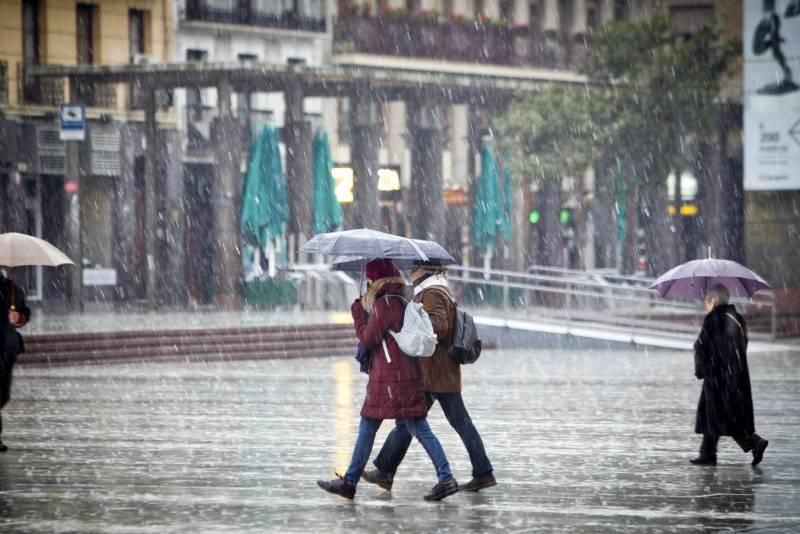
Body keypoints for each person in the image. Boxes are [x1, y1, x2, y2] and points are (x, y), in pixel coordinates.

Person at [317, 258, 458, 501]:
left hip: (389, 381)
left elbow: (368, 338)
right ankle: (445, 478)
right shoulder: (402, 299)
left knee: (371, 428)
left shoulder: (385, 304)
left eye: (371, 279)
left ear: (376, 280)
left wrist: (358, 314)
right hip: (405, 376)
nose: (369, 282)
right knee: (416, 429)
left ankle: (350, 483)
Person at [362, 261, 495, 493]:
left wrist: (415, 320)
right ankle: (385, 470)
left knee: (413, 421)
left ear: (427, 270)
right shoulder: (435, 290)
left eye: (415, 268)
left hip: (435, 373)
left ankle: (477, 473)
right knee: (416, 422)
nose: (411, 272)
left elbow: (439, 327)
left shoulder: (432, 293)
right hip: (440, 373)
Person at [691, 284, 768, 467]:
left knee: (716, 416)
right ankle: (709, 454)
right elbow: (743, 344)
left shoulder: (713, 318)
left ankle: (752, 443)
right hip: (735, 375)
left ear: (714, 300)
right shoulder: (738, 318)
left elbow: (702, 345)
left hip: (717, 376)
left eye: (708, 299)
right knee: (728, 416)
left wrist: (702, 368)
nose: (706, 303)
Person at [0, 271, 30, 452]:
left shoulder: (11, 288)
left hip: (7, 348)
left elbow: (25, 312)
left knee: (3, 395)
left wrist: (18, 317)